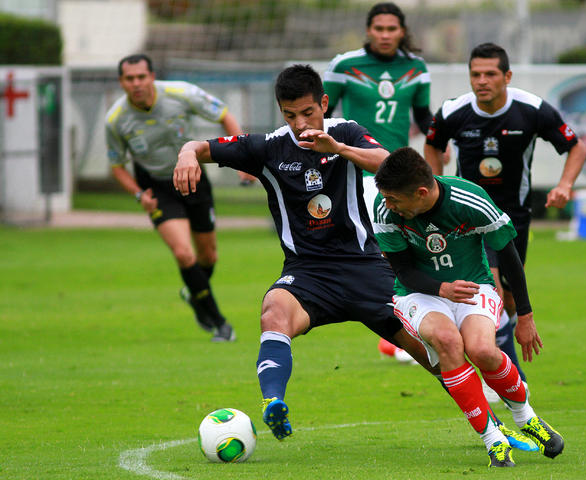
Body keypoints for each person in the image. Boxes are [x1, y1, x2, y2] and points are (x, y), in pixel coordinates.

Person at [173, 64, 439, 441]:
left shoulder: (345, 132)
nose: (300, 123)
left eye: (308, 112)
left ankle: (498, 424)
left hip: (364, 265)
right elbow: (202, 147)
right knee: (274, 311)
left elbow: (388, 163)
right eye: (290, 114)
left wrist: (340, 150)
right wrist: (187, 154)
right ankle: (273, 403)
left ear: (324, 104)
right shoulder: (268, 148)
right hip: (308, 273)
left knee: (431, 353)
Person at [372, 146, 565, 467]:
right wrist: (441, 288)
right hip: (419, 293)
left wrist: (526, 315)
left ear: (421, 192)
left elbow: (509, 254)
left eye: (394, 199)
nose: (387, 204)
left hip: (474, 285)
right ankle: (493, 441)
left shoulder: (470, 199)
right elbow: (403, 271)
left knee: (483, 351)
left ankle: (525, 416)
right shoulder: (384, 209)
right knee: (448, 342)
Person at [424, 42, 586, 383]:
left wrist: (565, 186)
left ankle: (495, 349)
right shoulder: (454, 111)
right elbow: (432, 145)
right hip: (467, 218)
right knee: (492, 289)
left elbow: (575, 147)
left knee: (509, 296)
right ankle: (509, 376)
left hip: (515, 216)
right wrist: (436, 184)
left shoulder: (532, 110)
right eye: (475, 74)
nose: (482, 81)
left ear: (507, 76)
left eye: (490, 74)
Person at [323, 1, 433, 362]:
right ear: (369, 30)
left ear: (402, 31)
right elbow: (321, 114)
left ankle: (406, 328)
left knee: (408, 249)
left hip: (399, 173)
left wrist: (439, 145)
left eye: (392, 29)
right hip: (358, 173)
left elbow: (423, 116)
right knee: (383, 250)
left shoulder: (416, 69)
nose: (385, 35)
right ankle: (398, 330)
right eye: (379, 29)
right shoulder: (344, 65)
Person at [106, 53, 238, 342]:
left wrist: (241, 160)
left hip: (193, 178)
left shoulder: (181, 93)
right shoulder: (115, 120)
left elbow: (224, 115)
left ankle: (193, 294)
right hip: (156, 188)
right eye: (130, 79)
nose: (136, 83)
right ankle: (219, 323)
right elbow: (117, 166)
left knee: (208, 256)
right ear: (121, 82)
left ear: (152, 76)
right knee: (183, 253)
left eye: (141, 76)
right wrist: (140, 195)